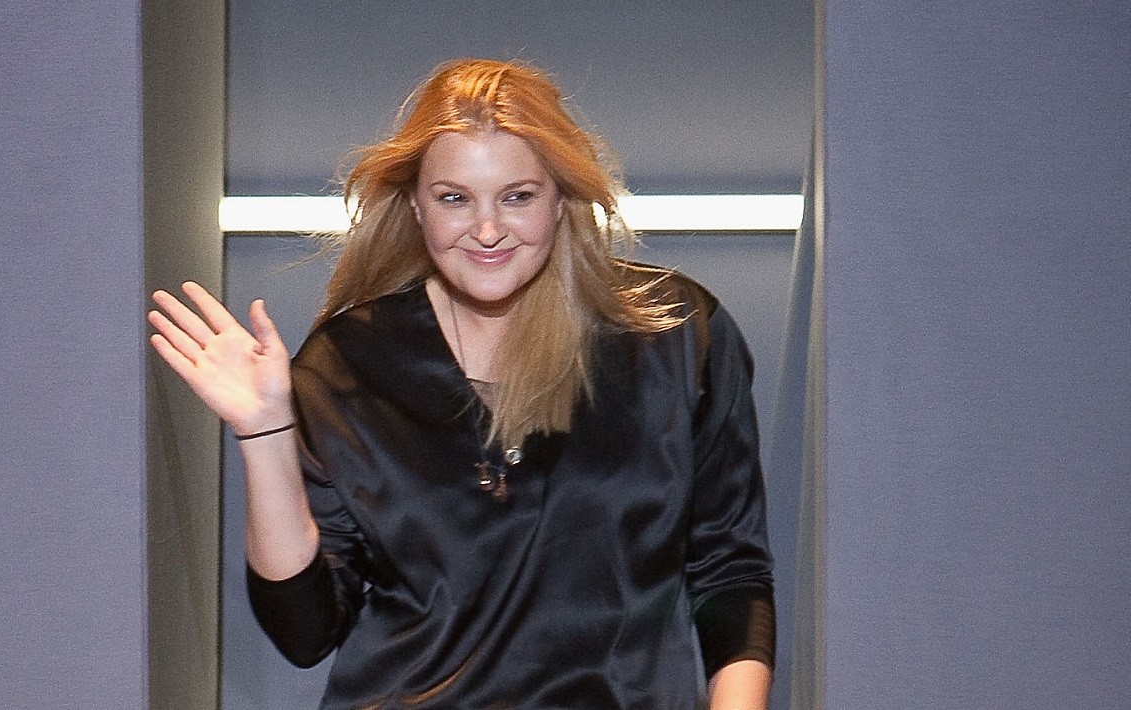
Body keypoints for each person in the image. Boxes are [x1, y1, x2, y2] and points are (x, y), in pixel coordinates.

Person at [149, 58, 775, 709]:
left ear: (562, 198)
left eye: (517, 196)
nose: (487, 230)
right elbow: (305, 632)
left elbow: (730, 574)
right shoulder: (347, 368)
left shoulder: (676, 337)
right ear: (416, 205)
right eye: (455, 198)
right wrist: (264, 432)